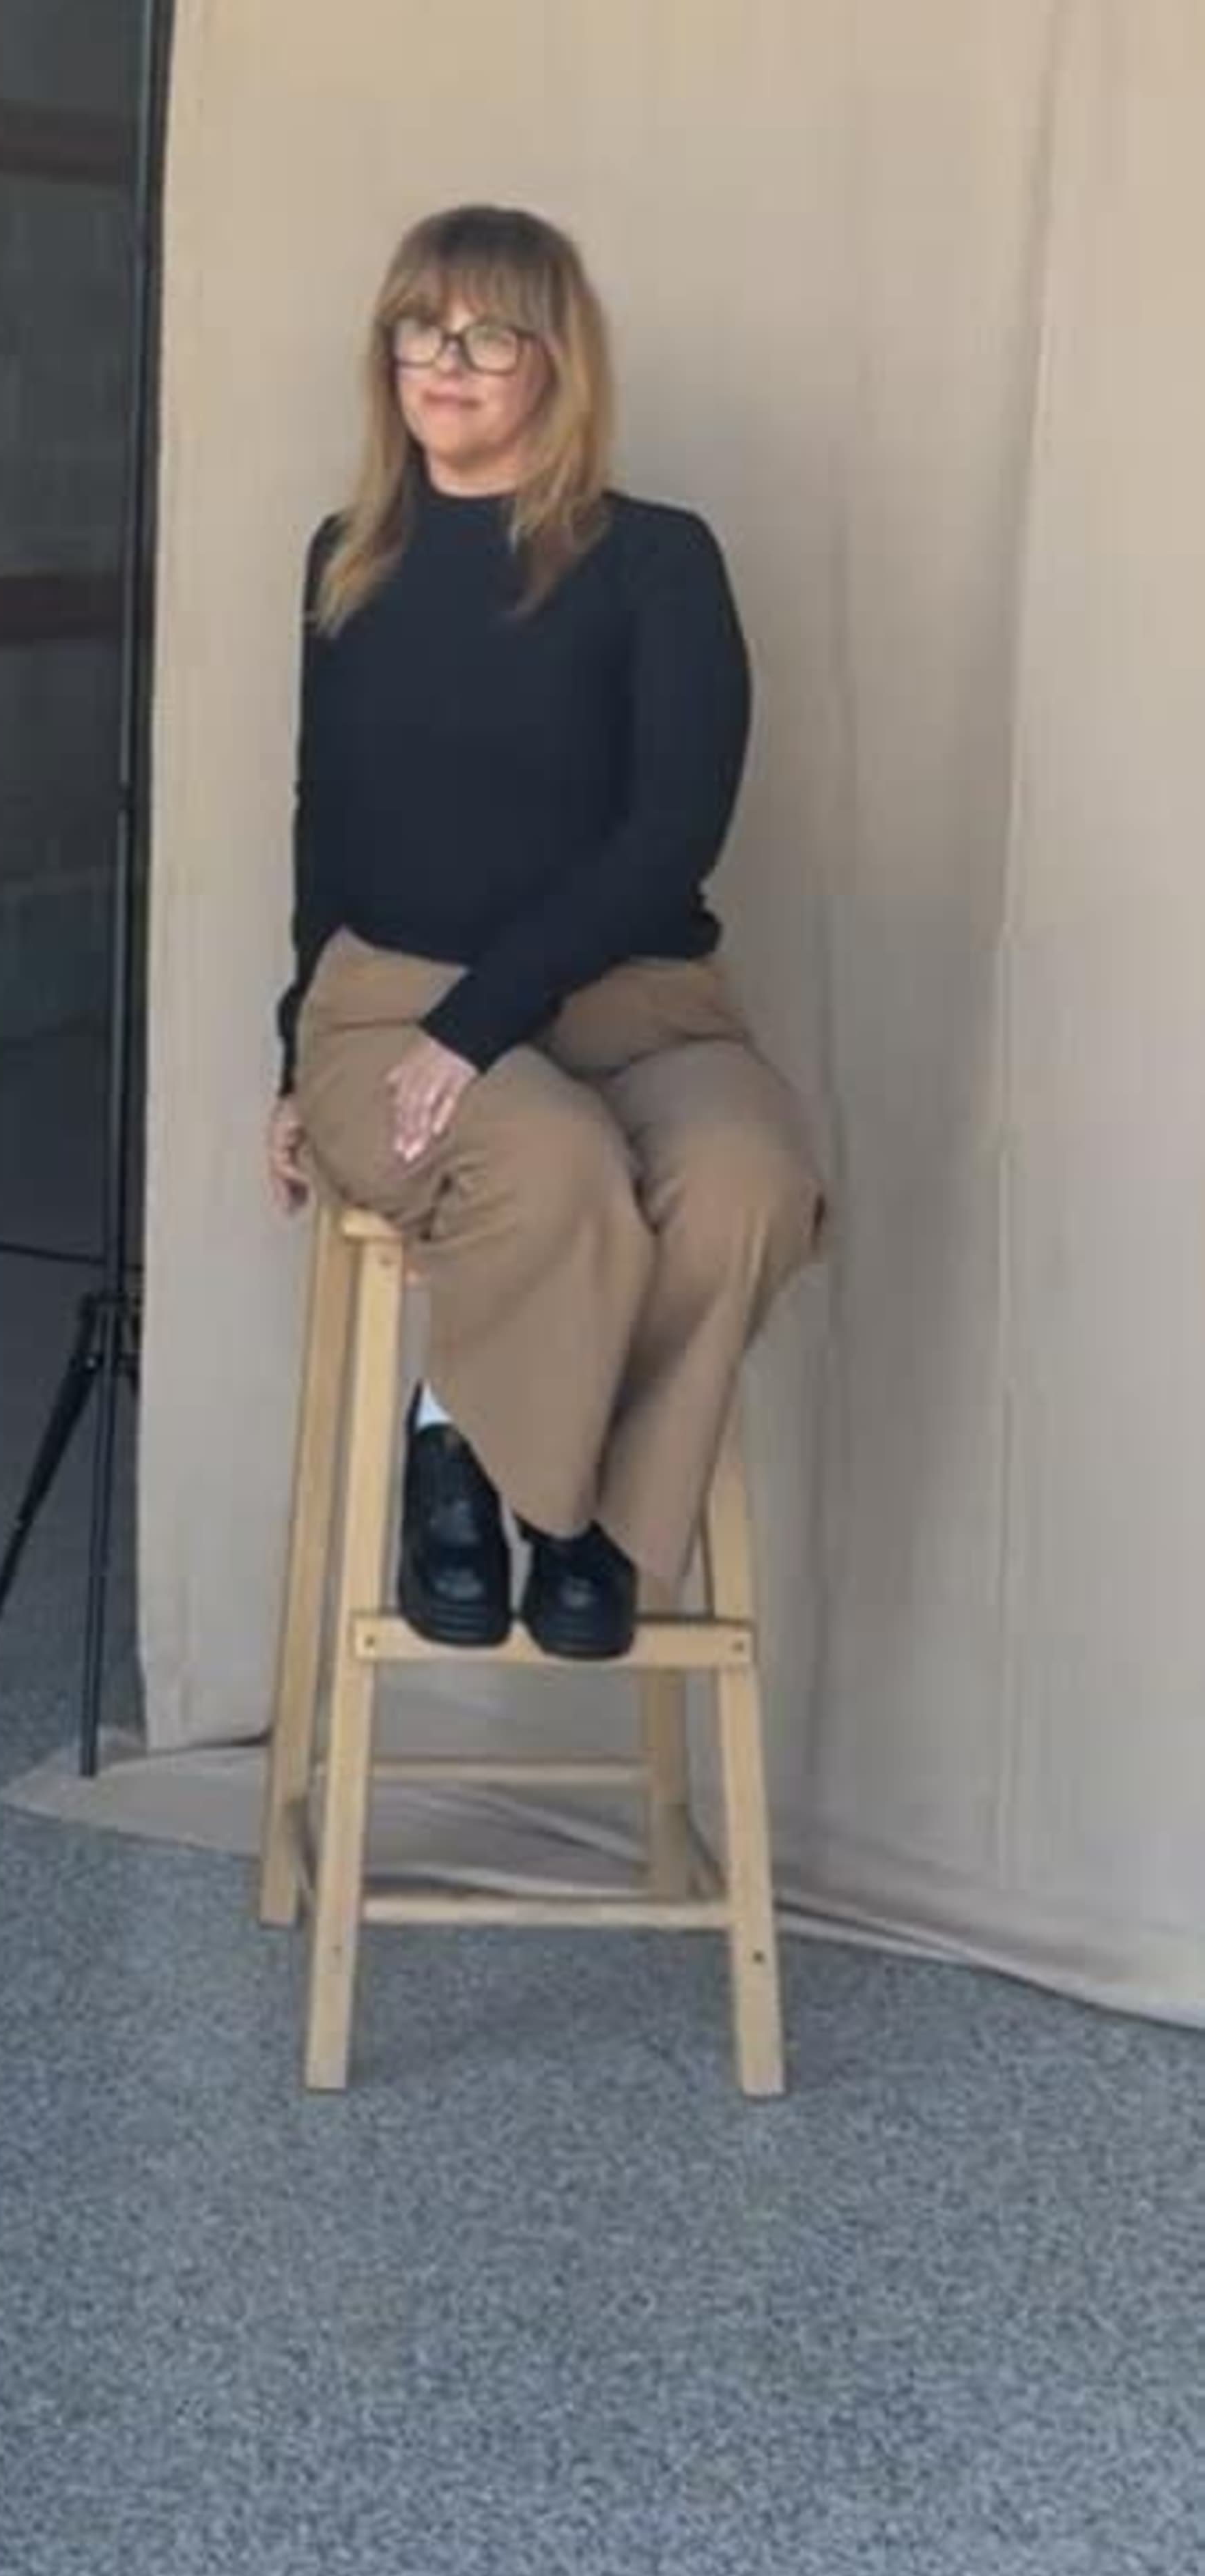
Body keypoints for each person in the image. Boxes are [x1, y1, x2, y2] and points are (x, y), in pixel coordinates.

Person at [265, 203, 821, 1663]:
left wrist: (487, 1016)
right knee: (553, 1157)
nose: (443, 361)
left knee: (750, 1178)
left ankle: (551, 1499)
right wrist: (291, 1048)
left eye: (487, 331)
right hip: (391, 1004)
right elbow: (326, 824)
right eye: (417, 326)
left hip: (635, 1002)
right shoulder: (351, 559)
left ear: (555, 363)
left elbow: (669, 840)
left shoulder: (658, 561)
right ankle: (510, 1482)